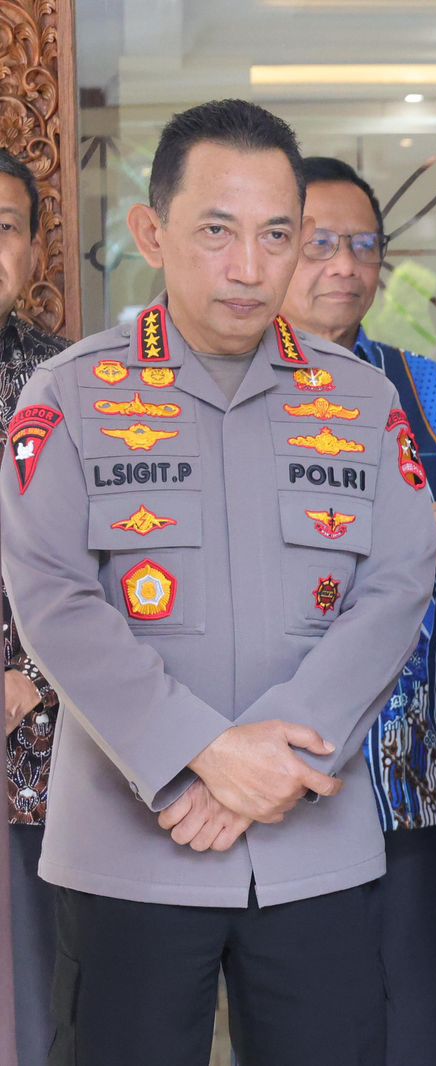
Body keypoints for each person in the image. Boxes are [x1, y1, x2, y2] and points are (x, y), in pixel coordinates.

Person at [0, 99, 436, 1065]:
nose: (248, 266)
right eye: (216, 231)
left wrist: (271, 763)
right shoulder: (71, 394)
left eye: (277, 235)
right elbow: (53, 597)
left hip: (312, 842)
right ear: (152, 232)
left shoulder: (361, 399)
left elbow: (399, 585)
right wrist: (199, 752)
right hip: (129, 850)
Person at [278, 155, 436, 1066]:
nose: (345, 265)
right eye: (318, 243)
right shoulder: (224, 394)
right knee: (303, 1027)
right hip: (281, 781)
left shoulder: (431, 393)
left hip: (421, 773)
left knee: (421, 1028)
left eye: (364, 245)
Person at [0, 146, 68, 1066]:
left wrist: (29, 671)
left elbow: (120, 556)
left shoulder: (69, 386)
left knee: (32, 1001)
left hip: (36, 739)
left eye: (6, 228)